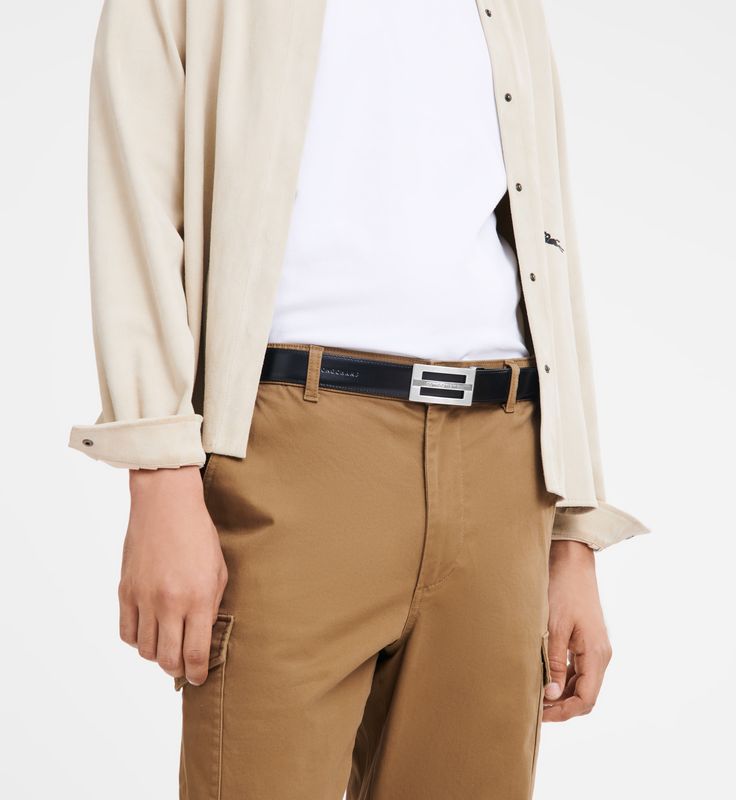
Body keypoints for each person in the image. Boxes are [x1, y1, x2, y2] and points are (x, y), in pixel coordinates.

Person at [69, 0, 648, 797]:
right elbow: (135, 188)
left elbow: (546, 234)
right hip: (289, 456)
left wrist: (572, 534)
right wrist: (159, 473)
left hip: (504, 462)